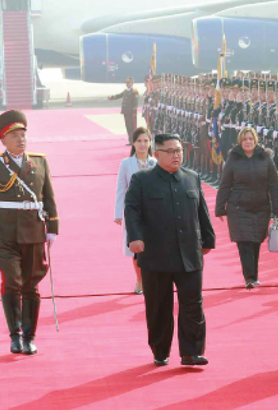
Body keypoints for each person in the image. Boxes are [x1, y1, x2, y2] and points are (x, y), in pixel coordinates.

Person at [124, 133, 215, 367]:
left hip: (189, 253)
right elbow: (132, 210)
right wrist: (135, 238)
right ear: (157, 154)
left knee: (193, 304)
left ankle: (192, 352)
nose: (177, 155)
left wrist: (208, 238)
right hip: (156, 254)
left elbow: (201, 211)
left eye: (179, 151)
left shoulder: (192, 178)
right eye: (171, 151)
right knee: (158, 307)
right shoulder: (142, 180)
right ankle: (160, 350)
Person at [0, 110, 59, 355]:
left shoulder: (39, 162)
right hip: (3, 232)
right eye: (14, 135)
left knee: (31, 284)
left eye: (23, 134)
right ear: (3, 140)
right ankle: (15, 335)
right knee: (12, 280)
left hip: (33, 231)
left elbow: (49, 197)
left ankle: (30, 335)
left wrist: (52, 228)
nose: (21, 139)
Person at [215, 127, 278, 289]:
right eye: (245, 139)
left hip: (261, 206)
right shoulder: (233, 158)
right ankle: (249, 277)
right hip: (238, 207)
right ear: (240, 141)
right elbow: (225, 184)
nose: (248, 142)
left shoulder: (265, 158)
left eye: (251, 139)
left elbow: (274, 184)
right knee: (244, 242)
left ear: (255, 140)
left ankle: (254, 275)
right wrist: (219, 208)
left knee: (256, 241)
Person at [114, 127, 156, 294]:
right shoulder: (126, 163)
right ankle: (139, 281)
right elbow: (121, 188)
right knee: (137, 249)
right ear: (133, 143)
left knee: (153, 248)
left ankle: (151, 280)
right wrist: (118, 213)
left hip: (153, 212)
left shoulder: (155, 163)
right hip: (134, 213)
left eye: (146, 141)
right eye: (139, 141)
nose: (143, 144)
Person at [108, 77, 139, 144]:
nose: (127, 84)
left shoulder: (134, 91)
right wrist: (111, 97)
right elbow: (119, 95)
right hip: (126, 112)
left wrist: (134, 112)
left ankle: (134, 140)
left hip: (131, 112)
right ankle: (130, 140)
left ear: (132, 83)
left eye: (129, 82)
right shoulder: (125, 91)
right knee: (128, 126)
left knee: (133, 127)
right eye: (126, 82)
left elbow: (135, 102)